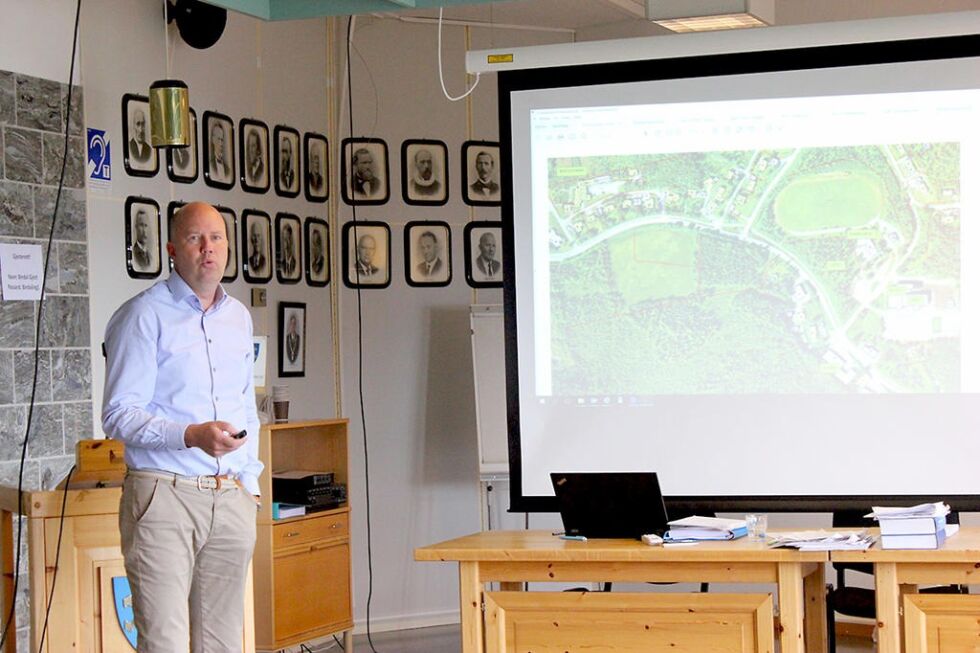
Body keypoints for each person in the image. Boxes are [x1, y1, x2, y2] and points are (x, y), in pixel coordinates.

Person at [102, 201, 262, 652]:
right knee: (166, 643)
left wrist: (250, 484)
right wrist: (189, 435)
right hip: (163, 497)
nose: (207, 248)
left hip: (229, 497)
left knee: (223, 645)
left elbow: (246, 406)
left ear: (228, 247)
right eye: (195, 238)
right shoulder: (142, 315)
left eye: (216, 238)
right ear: (173, 249)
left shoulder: (238, 318)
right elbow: (118, 413)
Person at [131, 207, 154, 272]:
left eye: (145, 225)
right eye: (141, 225)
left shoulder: (150, 256)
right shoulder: (134, 253)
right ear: (136, 227)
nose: (144, 230)